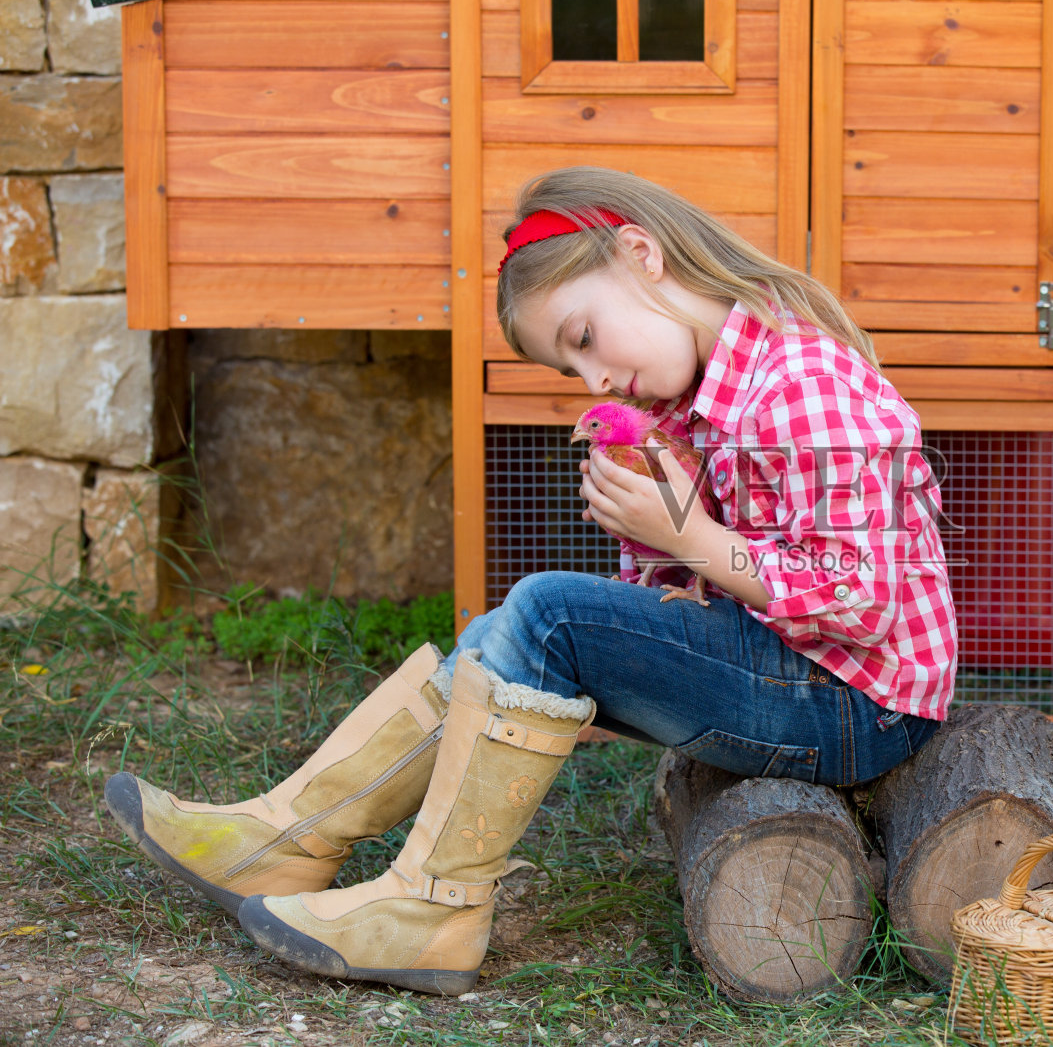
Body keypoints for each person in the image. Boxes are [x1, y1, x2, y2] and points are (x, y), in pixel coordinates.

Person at [103, 166, 958, 996]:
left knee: (549, 613)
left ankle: (427, 906)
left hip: (857, 703)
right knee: (504, 632)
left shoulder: (799, 381)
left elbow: (865, 596)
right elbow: (683, 599)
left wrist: (689, 536)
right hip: (786, 671)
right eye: (569, 369)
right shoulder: (691, 405)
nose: (592, 381)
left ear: (641, 254)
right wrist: (661, 544)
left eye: (583, 338)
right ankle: (290, 834)